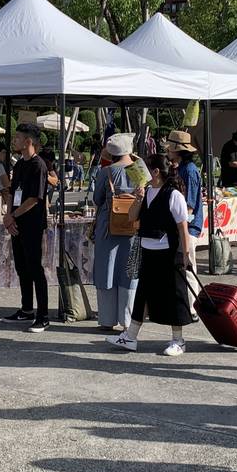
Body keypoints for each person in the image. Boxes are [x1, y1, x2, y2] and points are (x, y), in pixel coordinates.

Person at [106, 154, 194, 356]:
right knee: (143, 294)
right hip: (148, 250)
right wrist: (138, 197)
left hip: (169, 252)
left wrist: (186, 254)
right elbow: (131, 217)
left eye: (145, 168)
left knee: (174, 295)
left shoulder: (173, 195)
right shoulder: (145, 192)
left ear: (155, 172)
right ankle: (130, 337)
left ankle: (178, 340)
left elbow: (183, 227)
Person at [1, 123, 50, 332]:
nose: (15, 141)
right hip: (17, 222)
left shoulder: (39, 166)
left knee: (34, 267)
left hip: (32, 224)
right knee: (21, 267)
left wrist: (13, 215)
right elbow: (13, 192)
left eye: (18, 137)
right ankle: (27, 308)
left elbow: (34, 199)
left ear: (29, 141)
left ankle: (43, 315)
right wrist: (8, 215)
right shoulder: (20, 164)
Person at [92, 135, 140, 334]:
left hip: (108, 227)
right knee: (130, 271)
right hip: (133, 226)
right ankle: (127, 319)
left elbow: (97, 199)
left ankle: (107, 319)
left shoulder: (106, 172)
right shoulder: (140, 170)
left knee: (107, 269)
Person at [166, 130, 204, 247]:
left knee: (188, 263)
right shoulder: (180, 167)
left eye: (170, 148)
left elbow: (190, 205)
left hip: (189, 226)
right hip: (182, 224)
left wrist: (182, 227)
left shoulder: (189, 170)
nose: (167, 150)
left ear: (178, 151)